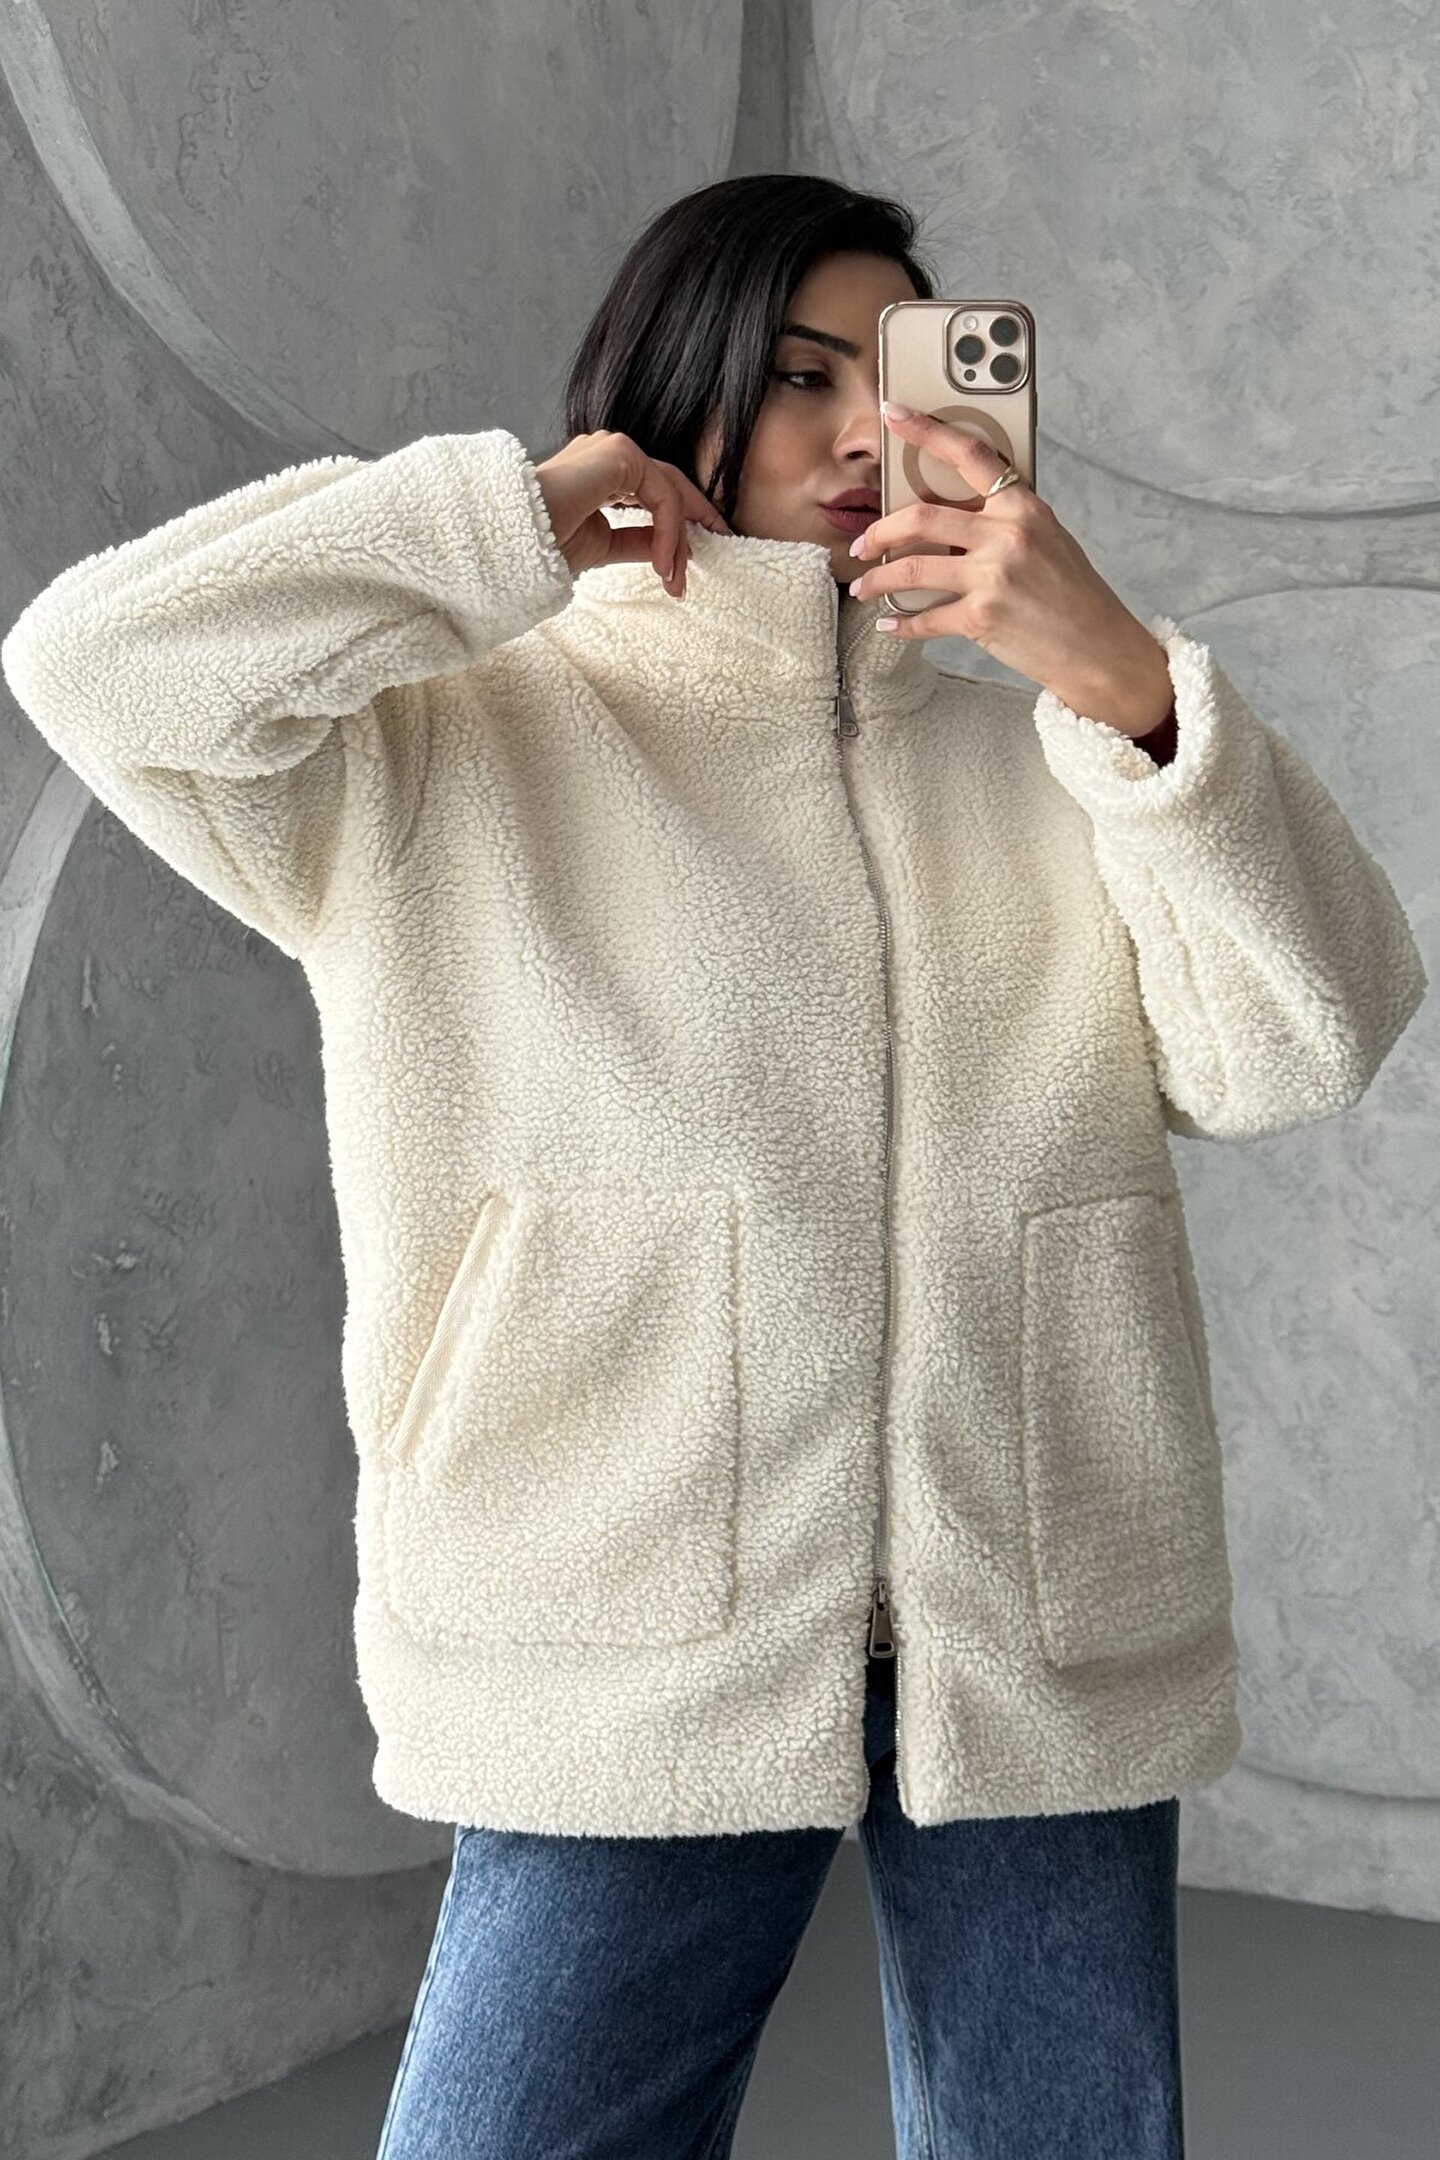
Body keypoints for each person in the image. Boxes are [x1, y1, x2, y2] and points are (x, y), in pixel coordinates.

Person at [1, 174, 1424, 2158]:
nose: (857, 432)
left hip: (1037, 1608)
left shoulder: (1044, 764)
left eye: (898, 376)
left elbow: (1307, 1039)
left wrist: (1127, 688)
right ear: (678, 380)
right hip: (629, 1612)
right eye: (797, 373)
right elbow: (96, 664)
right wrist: (502, 525)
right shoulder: (449, 745)